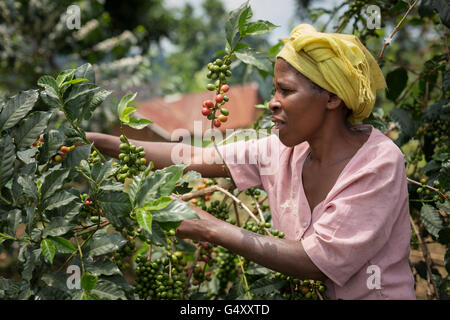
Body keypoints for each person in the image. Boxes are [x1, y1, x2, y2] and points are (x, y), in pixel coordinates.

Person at [86, 24, 416, 299]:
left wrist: (207, 227)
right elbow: (192, 157)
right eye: (274, 91)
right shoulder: (283, 151)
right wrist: (103, 143)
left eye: (286, 91)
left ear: (332, 98)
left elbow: (317, 261)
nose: (272, 103)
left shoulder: (378, 163)